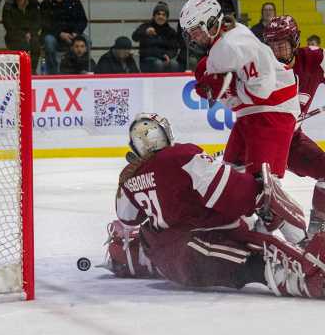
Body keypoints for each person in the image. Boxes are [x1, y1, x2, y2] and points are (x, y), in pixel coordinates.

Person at [99, 112, 325, 300]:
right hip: (194, 252)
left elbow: (128, 219)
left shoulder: (128, 176)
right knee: (257, 261)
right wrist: (257, 190)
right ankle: (304, 280)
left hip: (175, 255)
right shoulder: (184, 156)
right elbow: (234, 195)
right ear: (166, 134)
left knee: (264, 244)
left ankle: (131, 259)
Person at [179, 0, 299, 182]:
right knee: (231, 179)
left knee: (262, 186)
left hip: (273, 111)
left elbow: (262, 88)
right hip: (252, 114)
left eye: (195, 30)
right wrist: (220, 78)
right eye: (189, 32)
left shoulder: (234, 45)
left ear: (211, 22)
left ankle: (278, 212)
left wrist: (228, 87)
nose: (192, 37)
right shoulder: (226, 38)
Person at [264, 16, 325, 242]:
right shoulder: (260, 68)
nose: (277, 52)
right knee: (260, 194)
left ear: (295, 41)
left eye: (282, 46)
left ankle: (318, 232)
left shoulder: (314, 59)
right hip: (264, 143)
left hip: (293, 141)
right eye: (272, 47)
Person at [40, 0, 90, 75]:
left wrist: (76, 32)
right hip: (55, 35)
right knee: (49, 41)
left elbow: (83, 20)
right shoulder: (45, 4)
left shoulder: (75, 2)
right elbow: (44, 24)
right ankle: (53, 73)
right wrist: (60, 33)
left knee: (87, 40)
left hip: (74, 35)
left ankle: (84, 70)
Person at [132, 2, 179, 73]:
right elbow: (134, 37)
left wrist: (168, 55)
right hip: (147, 60)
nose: (161, 17)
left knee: (174, 64)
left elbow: (173, 48)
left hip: (163, 59)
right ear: (154, 15)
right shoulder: (145, 26)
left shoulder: (171, 31)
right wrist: (145, 32)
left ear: (167, 18)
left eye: (164, 15)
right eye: (158, 14)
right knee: (158, 63)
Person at [2, 0, 41, 75]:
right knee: (22, 44)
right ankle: (20, 71)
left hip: (31, 33)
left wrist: (30, 33)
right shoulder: (8, 5)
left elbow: (38, 22)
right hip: (14, 34)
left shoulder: (33, 4)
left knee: (36, 43)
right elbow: (8, 24)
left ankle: (32, 70)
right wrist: (24, 34)